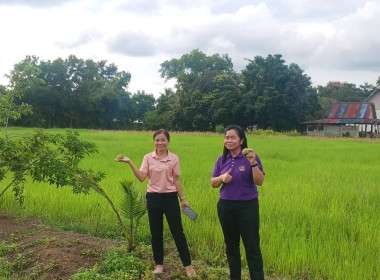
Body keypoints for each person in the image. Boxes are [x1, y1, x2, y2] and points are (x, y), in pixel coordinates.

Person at [115, 129, 196, 277]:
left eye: (163, 140)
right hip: (153, 198)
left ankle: (188, 265)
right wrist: (129, 162)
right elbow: (141, 177)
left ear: (168, 141)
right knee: (156, 233)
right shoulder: (148, 158)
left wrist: (183, 200)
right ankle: (159, 264)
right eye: (157, 140)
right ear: (154, 142)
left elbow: (176, 180)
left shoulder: (174, 158)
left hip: (170, 198)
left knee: (178, 232)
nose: (160, 143)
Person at [211, 124, 265, 280]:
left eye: (232, 137)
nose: (228, 140)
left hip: (247, 207)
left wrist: (253, 163)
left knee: (252, 247)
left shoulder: (250, 157)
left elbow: (259, 181)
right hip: (225, 207)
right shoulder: (222, 159)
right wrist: (221, 178)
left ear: (241, 140)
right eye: (226, 137)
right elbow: (213, 183)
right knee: (231, 247)